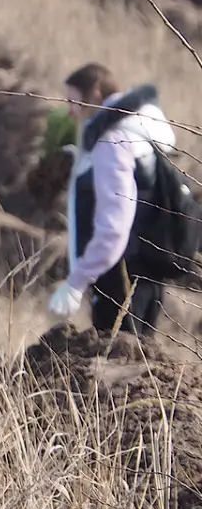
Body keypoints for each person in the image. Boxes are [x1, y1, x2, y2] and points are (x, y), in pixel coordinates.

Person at [49, 63, 175, 338]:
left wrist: (77, 280)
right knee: (139, 364)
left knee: (114, 365)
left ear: (94, 93)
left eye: (73, 100)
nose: (70, 110)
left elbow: (115, 224)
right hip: (147, 274)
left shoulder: (112, 140)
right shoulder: (141, 130)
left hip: (120, 277)